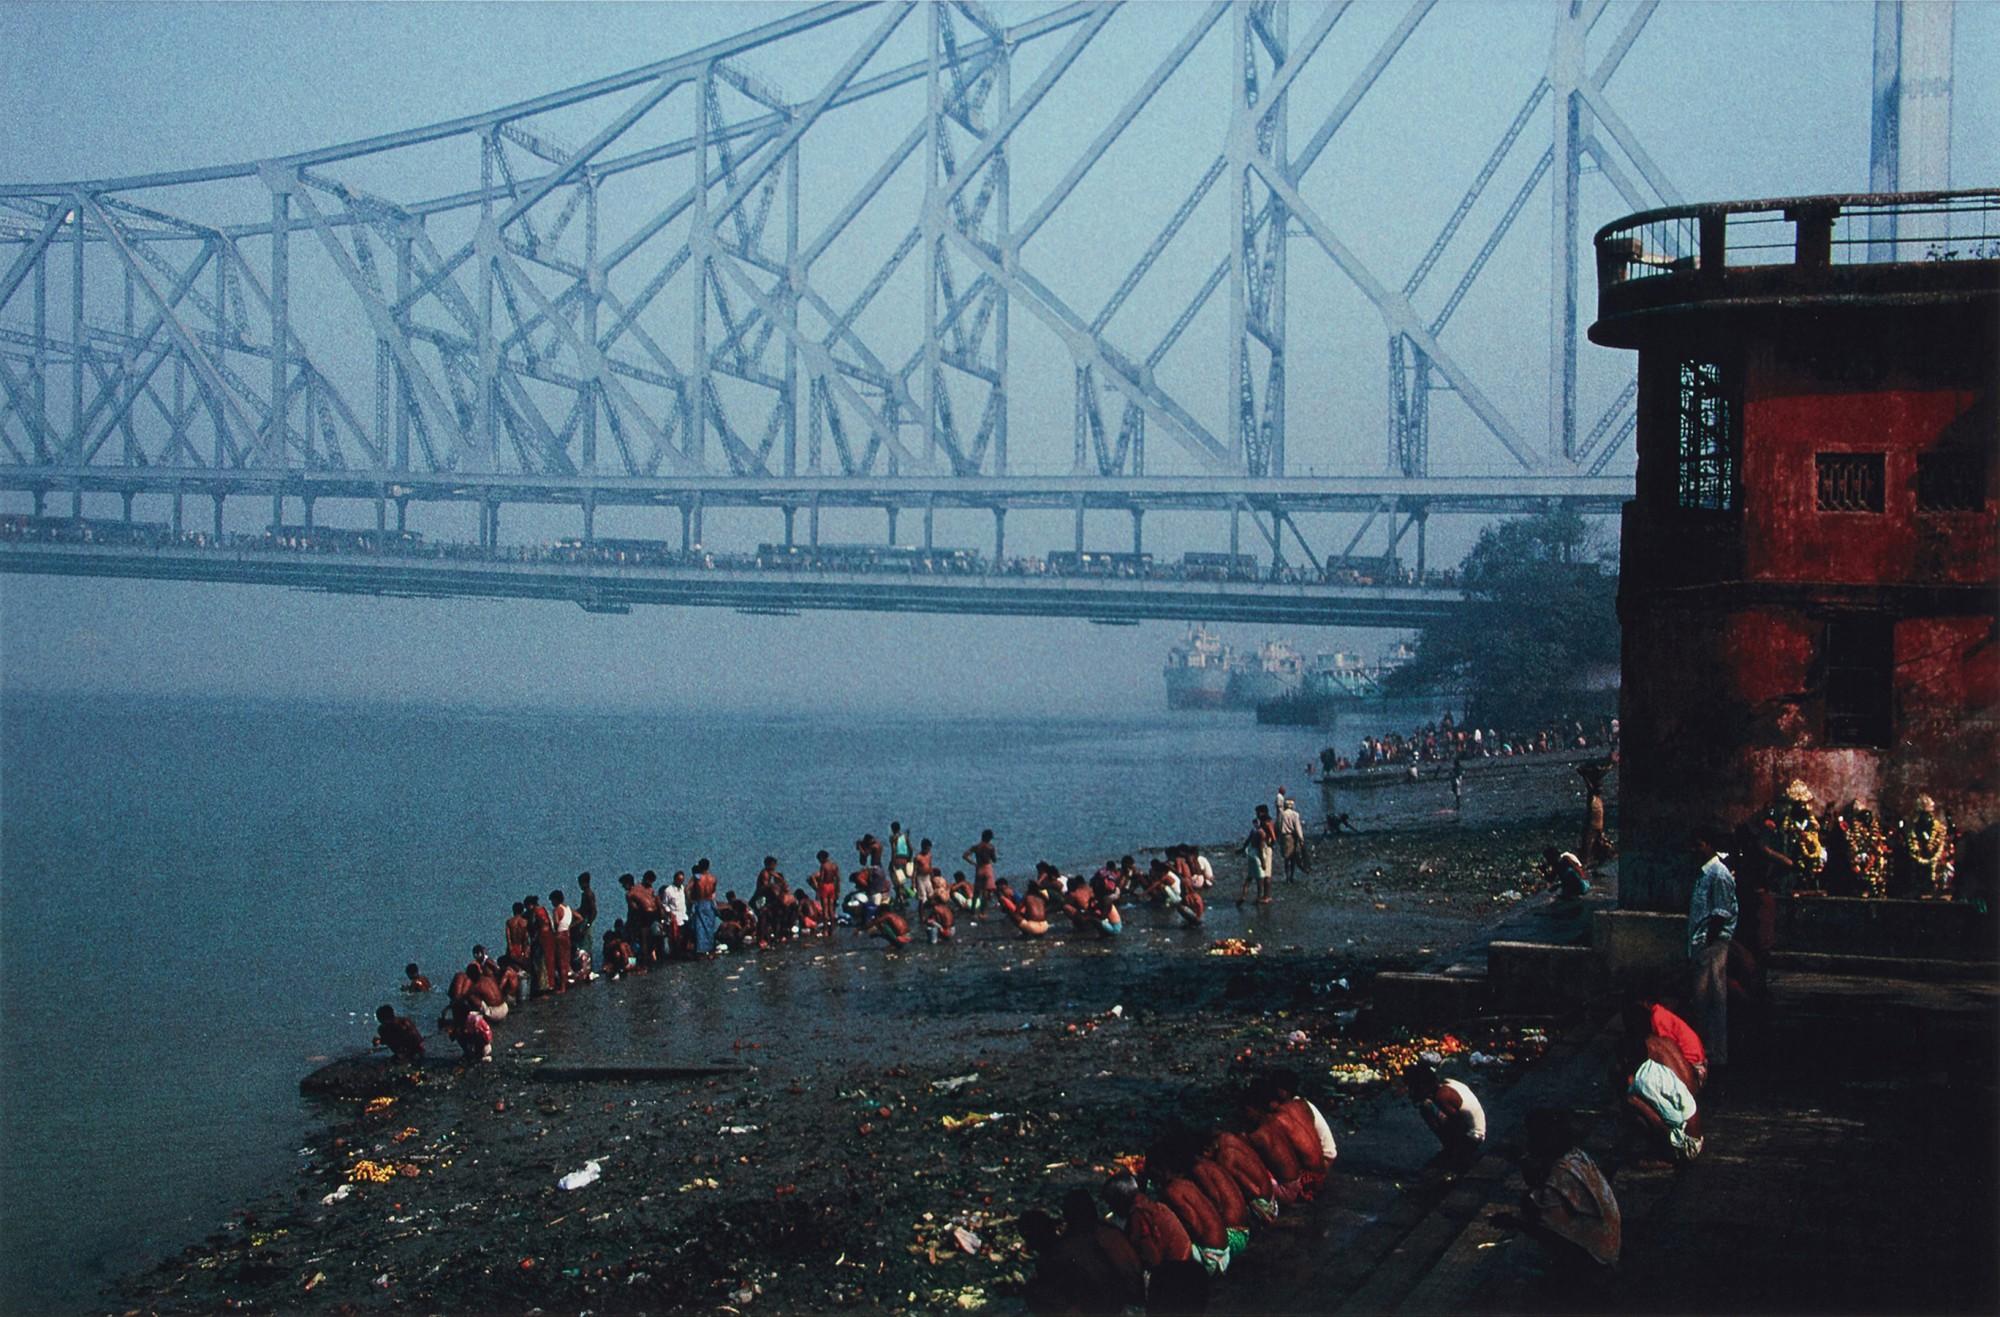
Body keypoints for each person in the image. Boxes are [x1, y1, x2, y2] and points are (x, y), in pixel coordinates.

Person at [1493, 1109, 1621, 1274]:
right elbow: (1536, 1178)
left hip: (1597, 1257)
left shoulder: (1557, 1180)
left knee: (1520, 1255)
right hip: (1608, 1241)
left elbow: (1550, 1234)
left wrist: (1516, 1223)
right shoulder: (1576, 1156)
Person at [1687, 826, 1737, 1070]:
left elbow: (1721, 913)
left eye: (1698, 845)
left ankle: (1714, 1052)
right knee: (1701, 1000)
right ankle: (1706, 1049)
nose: (1694, 850)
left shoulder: (1718, 874)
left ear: (1708, 845)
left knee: (1711, 999)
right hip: (1702, 944)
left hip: (1712, 946)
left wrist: (1708, 944)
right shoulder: (1704, 873)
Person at [1625, 1035, 1703, 1164]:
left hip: (1688, 1146)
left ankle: (1668, 1156)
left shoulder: (1643, 1082)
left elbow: (1673, 1117)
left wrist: (1641, 1106)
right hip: (1696, 1134)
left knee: (1634, 1104)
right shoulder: (1654, 1066)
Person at [1102, 1173, 1193, 1272]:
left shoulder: (1139, 1217)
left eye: (1112, 1203)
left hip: (1176, 1270)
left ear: (1121, 1199)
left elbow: (1153, 1260)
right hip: (1186, 1261)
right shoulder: (1157, 1206)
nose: (1111, 1208)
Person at [1406, 1062, 1485, 1171]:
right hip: (1471, 1130)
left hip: (1473, 1137)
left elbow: (1459, 1125)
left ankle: (1458, 1155)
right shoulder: (1446, 1083)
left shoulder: (1442, 1096)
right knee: (1428, 1108)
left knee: (1427, 1110)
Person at [1621, 994, 1706, 1092]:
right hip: (1696, 1064)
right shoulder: (1659, 1013)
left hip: (1693, 1067)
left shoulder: (1658, 1017)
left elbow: (1667, 1048)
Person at [1577, 762, 1615, 868]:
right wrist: (1585, 777)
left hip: (1598, 827)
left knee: (1599, 846)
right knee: (1587, 847)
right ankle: (1583, 863)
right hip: (1591, 827)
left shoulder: (1598, 798)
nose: (1601, 789)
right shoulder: (1592, 797)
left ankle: (1596, 860)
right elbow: (1590, 788)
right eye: (1599, 788)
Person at [1237, 806, 1277, 906]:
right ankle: (1265, 896)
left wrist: (1269, 844)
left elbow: (1272, 836)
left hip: (1262, 850)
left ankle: (1264, 896)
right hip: (1262, 849)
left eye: (1258, 812)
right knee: (1264, 874)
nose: (1256, 814)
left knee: (1262, 875)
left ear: (1262, 812)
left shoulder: (1266, 823)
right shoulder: (1264, 824)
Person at [688, 859, 721, 955]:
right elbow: (713, 892)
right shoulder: (713, 878)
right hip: (709, 903)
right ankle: (710, 948)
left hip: (700, 902)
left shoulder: (697, 878)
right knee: (709, 926)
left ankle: (701, 949)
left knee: (700, 927)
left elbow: (687, 889)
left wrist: (691, 900)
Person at [448, 997, 493, 1062]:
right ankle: (474, 1054)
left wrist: (454, 1032)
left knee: (459, 1035)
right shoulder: (472, 1016)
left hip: (483, 1046)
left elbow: (455, 1036)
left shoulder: (470, 1021)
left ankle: (473, 1055)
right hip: (486, 1043)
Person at [964, 829, 999, 912]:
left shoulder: (976, 847)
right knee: (986, 891)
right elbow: (994, 860)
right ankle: (982, 911)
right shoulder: (990, 847)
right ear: (989, 838)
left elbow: (965, 855)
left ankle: (973, 910)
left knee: (977, 891)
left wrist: (973, 863)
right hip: (987, 868)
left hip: (979, 868)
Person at [1278, 795, 1310, 881]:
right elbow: (1298, 827)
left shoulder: (1282, 814)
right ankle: (1291, 876)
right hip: (1292, 837)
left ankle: (1287, 876)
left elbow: (1279, 826)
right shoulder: (1295, 814)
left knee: (1286, 857)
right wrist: (1301, 838)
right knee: (1293, 857)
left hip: (1284, 837)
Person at [548, 890, 575, 990]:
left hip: (559, 935)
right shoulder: (568, 908)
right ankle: (565, 982)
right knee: (566, 959)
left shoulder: (557, 910)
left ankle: (562, 987)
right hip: (567, 934)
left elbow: (556, 923)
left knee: (560, 961)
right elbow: (579, 918)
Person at [575, 873, 597, 955]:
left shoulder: (589, 894)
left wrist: (588, 924)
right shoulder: (584, 894)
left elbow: (594, 910)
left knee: (586, 944)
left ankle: (587, 965)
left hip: (587, 920)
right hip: (584, 920)